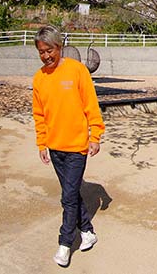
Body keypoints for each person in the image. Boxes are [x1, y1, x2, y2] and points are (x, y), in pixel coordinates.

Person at [32, 25, 105, 267]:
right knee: (71, 194)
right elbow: (39, 115)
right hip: (55, 147)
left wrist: (95, 136)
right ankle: (87, 231)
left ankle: (65, 243)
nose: (46, 56)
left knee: (67, 198)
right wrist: (42, 143)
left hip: (76, 147)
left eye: (50, 50)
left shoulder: (77, 71)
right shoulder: (39, 78)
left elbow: (91, 105)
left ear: (59, 47)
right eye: (41, 52)